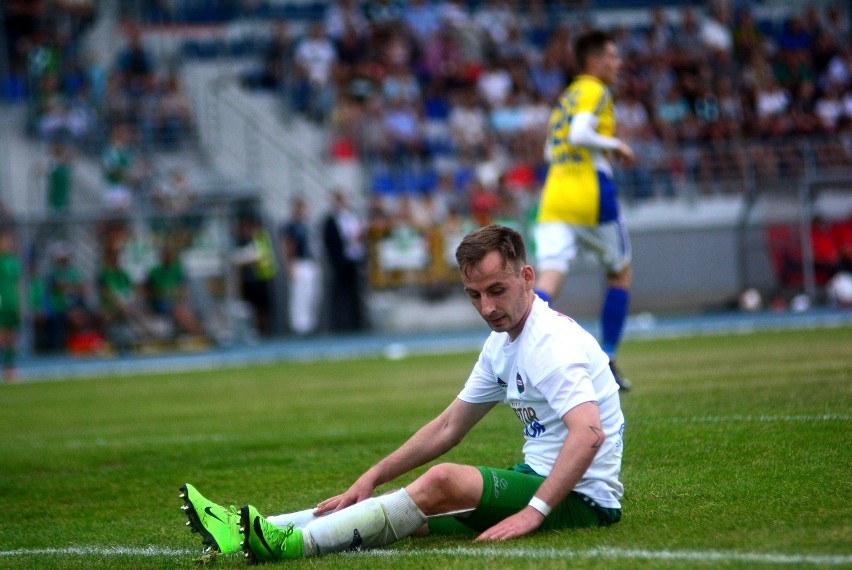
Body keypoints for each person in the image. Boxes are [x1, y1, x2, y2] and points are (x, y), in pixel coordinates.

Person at [179, 224, 625, 563]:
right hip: (535, 478)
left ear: (527, 276)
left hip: (579, 500)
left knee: (441, 482)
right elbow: (449, 426)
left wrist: (535, 513)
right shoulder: (502, 344)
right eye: (474, 295)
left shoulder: (550, 342)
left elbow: (588, 434)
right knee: (408, 515)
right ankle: (245, 529)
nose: (487, 307)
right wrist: (373, 475)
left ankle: (287, 547)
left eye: (497, 290)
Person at [534, 29, 636, 391]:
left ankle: (519, 361)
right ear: (594, 62)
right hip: (591, 195)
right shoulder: (595, 90)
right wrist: (617, 145)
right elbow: (579, 134)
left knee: (548, 280)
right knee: (619, 273)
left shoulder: (564, 98)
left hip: (554, 196)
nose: (618, 63)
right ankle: (607, 359)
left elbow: (550, 150)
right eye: (612, 56)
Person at [322, 191, 367, 332]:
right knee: (340, 295)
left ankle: (357, 324)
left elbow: (358, 239)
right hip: (339, 263)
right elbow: (331, 243)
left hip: (354, 261)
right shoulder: (330, 221)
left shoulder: (352, 218)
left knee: (356, 294)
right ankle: (340, 325)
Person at [280, 196, 321, 335]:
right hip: (298, 262)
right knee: (299, 296)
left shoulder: (308, 225)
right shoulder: (291, 226)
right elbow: (288, 246)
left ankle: (309, 325)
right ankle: (299, 327)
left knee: (311, 295)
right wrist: (289, 265)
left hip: (310, 262)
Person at [0, 229, 22, 380]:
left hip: (12, 302)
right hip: (1, 301)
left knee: (12, 336)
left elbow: (18, 283)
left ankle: (9, 367)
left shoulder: (14, 261)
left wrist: (20, 303)